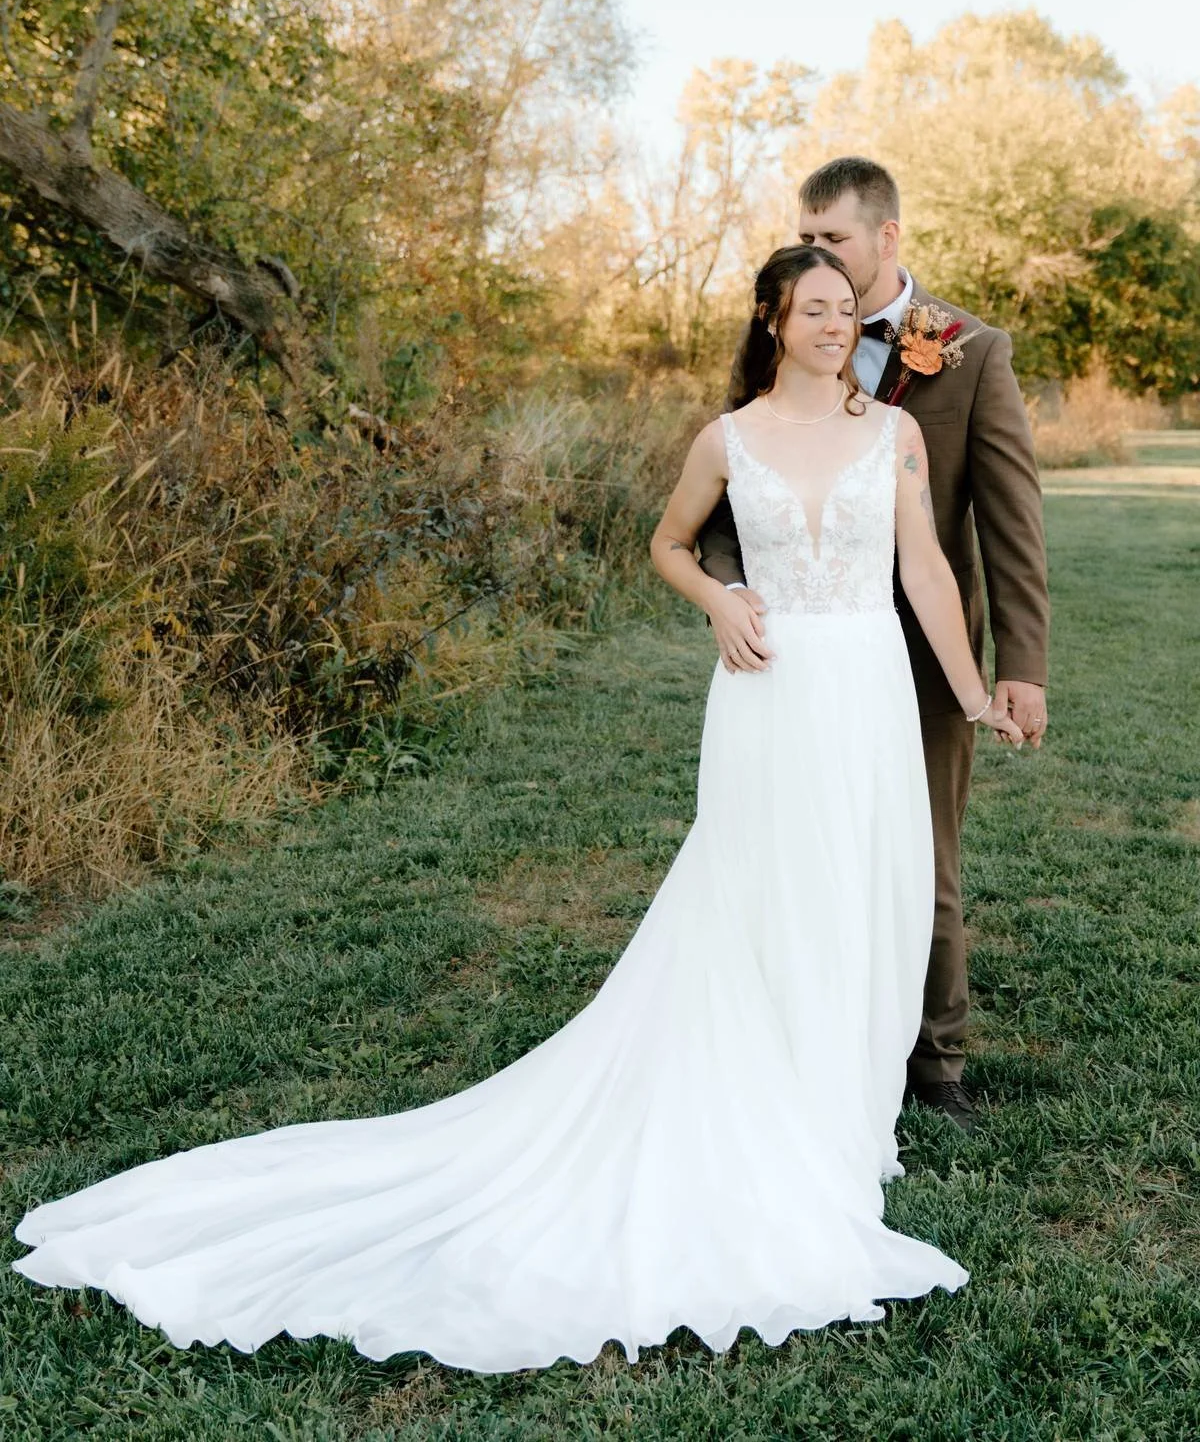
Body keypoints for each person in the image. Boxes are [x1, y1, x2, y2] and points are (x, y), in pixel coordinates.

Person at [12, 245, 1023, 1372]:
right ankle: (770, 1111)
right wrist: (719, 598)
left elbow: (928, 574)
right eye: (816, 311)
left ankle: (841, 1111)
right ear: (773, 321)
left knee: (861, 891)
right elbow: (666, 545)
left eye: (848, 311)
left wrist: (975, 696)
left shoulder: (897, 433)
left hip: (870, 690)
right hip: (771, 694)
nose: (838, 327)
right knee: (761, 894)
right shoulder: (726, 439)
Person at [698, 156, 1051, 1134]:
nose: (817, 256)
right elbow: (731, 497)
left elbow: (1010, 524)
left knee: (919, 850)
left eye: (835, 240)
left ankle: (933, 1063)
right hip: (793, 655)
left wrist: (1014, 666)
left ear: (887, 239)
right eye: (805, 239)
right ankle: (799, 1028)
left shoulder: (970, 351)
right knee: (789, 845)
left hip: (924, 654)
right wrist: (729, 592)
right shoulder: (783, 333)